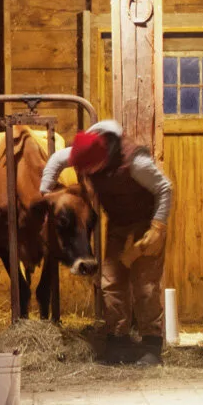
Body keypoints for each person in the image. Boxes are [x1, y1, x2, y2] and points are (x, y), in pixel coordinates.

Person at [40, 119, 173, 365]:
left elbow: (165, 188)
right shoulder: (85, 152)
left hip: (146, 224)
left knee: (145, 286)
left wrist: (158, 227)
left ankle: (151, 345)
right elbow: (57, 160)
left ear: (103, 159)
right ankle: (118, 340)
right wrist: (45, 192)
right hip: (119, 224)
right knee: (111, 282)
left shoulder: (135, 163)